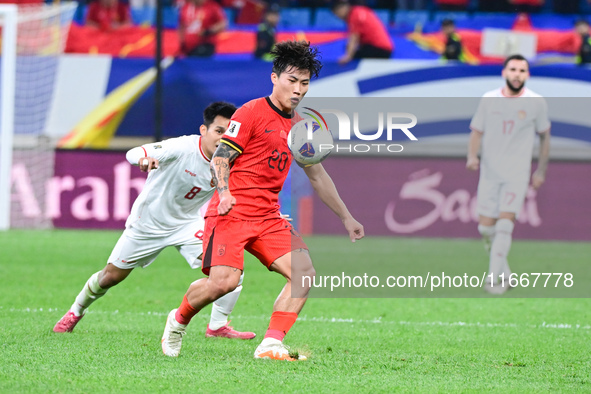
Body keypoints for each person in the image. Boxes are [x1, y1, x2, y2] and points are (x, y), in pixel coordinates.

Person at [161, 40, 365, 360]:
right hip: (232, 210)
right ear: (275, 78)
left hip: (268, 216)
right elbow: (221, 158)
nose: (298, 89)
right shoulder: (251, 112)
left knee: (304, 273)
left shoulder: (300, 128)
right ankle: (178, 319)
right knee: (224, 283)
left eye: (305, 83)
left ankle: (271, 343)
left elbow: (317, 176)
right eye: (292, 80)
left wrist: (346, 217)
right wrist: (225, 192)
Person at [53, 102, 255, 340]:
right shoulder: (182, 147)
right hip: (147, 224)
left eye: (228, 133)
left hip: (187, 224)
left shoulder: (231, 158)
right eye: (218, 131)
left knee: (231, 267)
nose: (223, 139)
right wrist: (144, 159)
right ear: (204, 130)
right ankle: (75, 311)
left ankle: (217, 326)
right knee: (110, 277)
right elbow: (134, 153)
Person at [467, 54, 551, 294]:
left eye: (522, 70)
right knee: (485, 229)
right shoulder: (489, 99)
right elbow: (476, 131)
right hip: (490, 173)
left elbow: (545, 136)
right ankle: (506, 274)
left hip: (517, 173)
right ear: (504, 72)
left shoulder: (536, 102)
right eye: (513, 69)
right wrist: (472, 156)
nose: (517, 74)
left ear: (528, 75)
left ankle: (494, 281)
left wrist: (541, 170)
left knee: (504, 225)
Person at [331, 0, 393, 65]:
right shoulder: (361, 10)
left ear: (342, 8)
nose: (338, 17)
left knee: (353, 54)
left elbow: (354, 37)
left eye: (337, 13)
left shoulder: (354, 14)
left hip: (379, 49)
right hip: (384, 49)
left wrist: (348, 56)